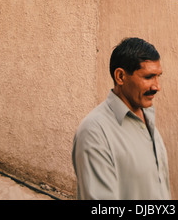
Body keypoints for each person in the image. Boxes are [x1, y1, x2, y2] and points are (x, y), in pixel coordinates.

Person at [72, 37, 171, 200]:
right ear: (120, 76)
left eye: (158, 76)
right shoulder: (94, 133)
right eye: (148, 77)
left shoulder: (147, 118)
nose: (157, 86)